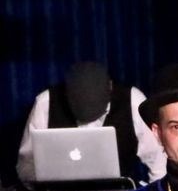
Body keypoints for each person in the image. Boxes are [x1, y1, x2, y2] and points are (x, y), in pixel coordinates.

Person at [16, 61, 166, 184]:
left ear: (110, 88)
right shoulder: (45, 103)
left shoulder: (133, 102)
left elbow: (159, 162)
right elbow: (26, 164)